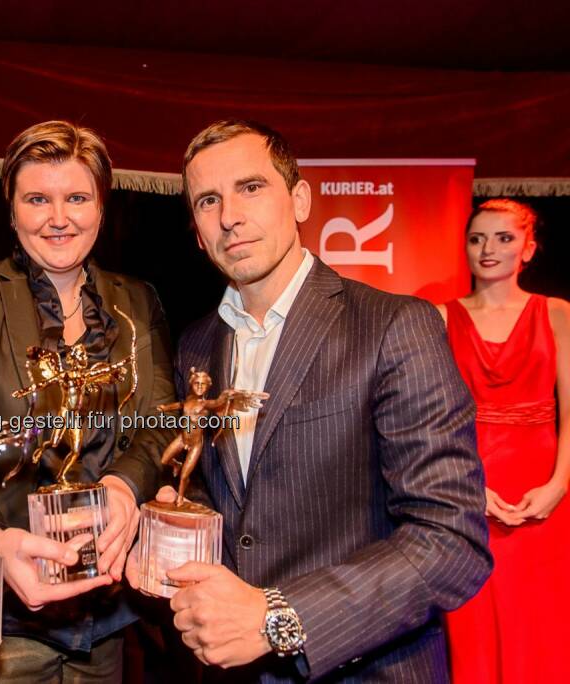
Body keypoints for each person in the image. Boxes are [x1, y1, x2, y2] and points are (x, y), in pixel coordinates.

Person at [105, 119, 492, 681]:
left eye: (251, 187)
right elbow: (240, 515)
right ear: (195, 231)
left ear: (301, 198)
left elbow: (451, 540)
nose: (229, 216)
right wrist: (168, 544)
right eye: (208, 200)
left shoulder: (392, 326)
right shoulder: (195, 345)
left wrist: (278, 618)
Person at [0, 120, 175, 681]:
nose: (58, 218)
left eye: (77, 197)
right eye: (37, 199)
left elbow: (157, 426)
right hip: (8, 620)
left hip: (110, 614)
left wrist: (124, 486)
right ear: (11, 211)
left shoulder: (138, 301)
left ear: (102, 208)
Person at [437, 199, 570, 682]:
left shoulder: (557, 313)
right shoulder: (439, 317)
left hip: (547, 501)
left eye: (503, 238)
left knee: (543, 628)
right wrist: (468, 489)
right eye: (477, 238)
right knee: (473, 628)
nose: (487, 249)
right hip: (470, 494)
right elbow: (432, 422)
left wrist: (559, 485)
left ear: (529, 249)